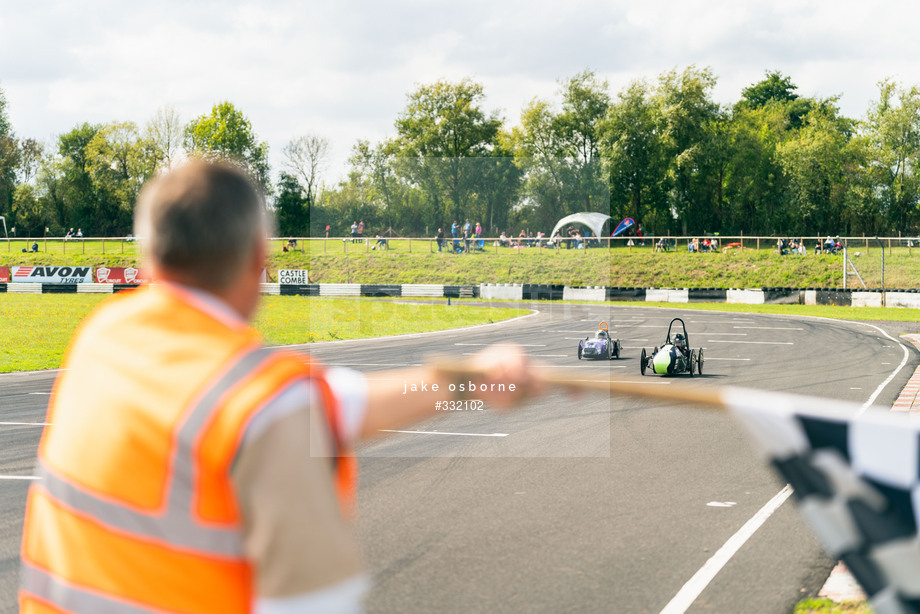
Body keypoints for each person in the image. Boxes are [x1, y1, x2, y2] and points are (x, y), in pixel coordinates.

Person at [18, 160, 542, 613]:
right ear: (258, 259)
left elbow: (330, 404)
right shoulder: (266, 404)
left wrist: (472, 379)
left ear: (148, 256)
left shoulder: (102, 337)